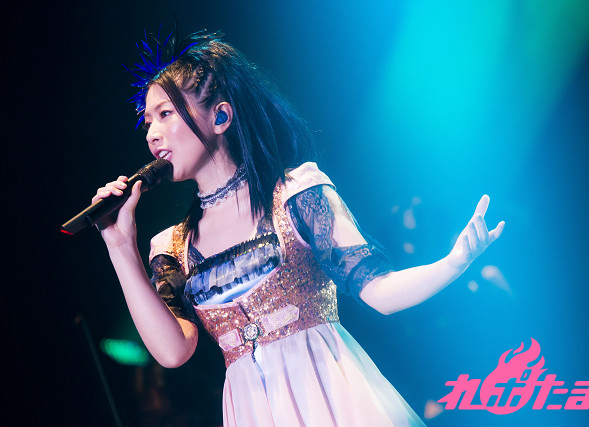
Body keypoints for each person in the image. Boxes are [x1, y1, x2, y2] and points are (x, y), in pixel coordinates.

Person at [93, 30, 505, 426]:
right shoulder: (173, 246)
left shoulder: (296, 194)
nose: (152, 135)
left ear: (220, 116)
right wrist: (120, 245)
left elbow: (379, 291)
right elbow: (172, 352)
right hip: (251, 412)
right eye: (148, 122)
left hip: (331, 395)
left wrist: (453, 263)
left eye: (165, 114)